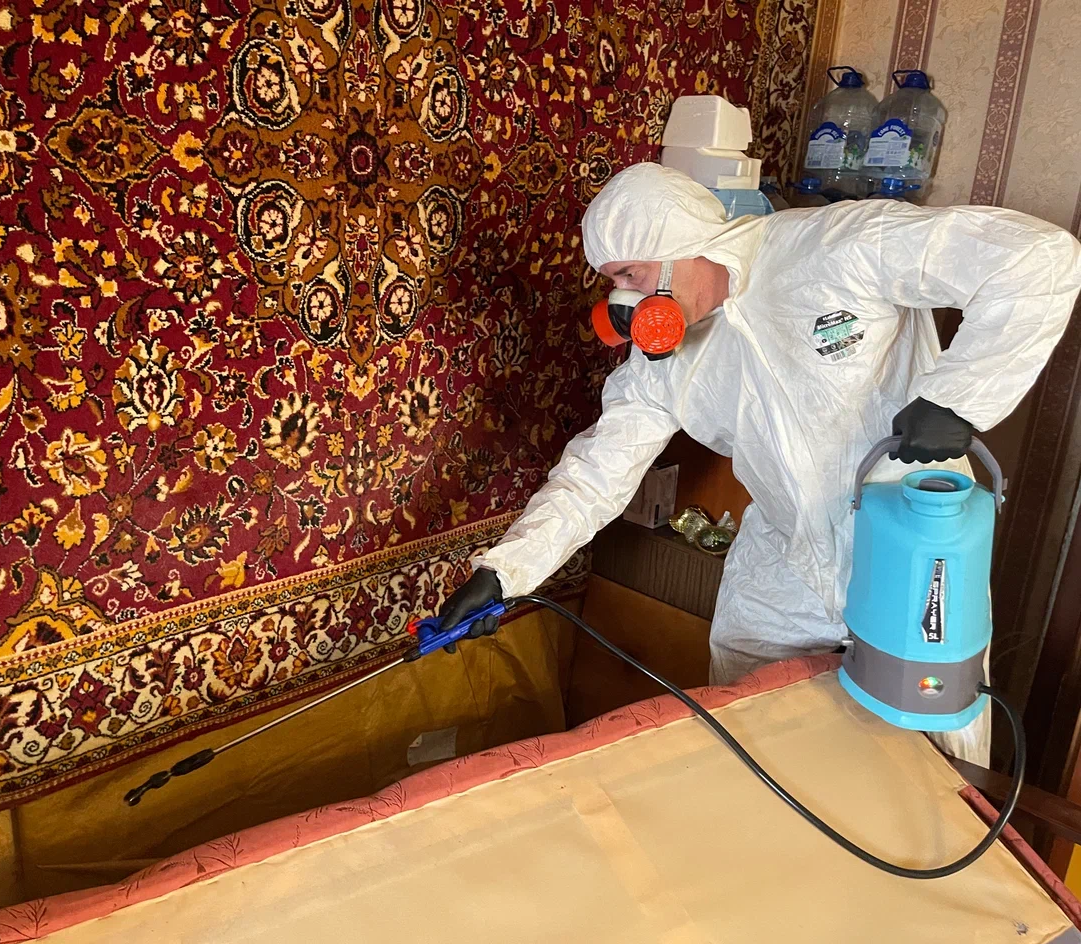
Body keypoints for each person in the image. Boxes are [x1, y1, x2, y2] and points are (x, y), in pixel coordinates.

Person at [439, 162, 1081, 764]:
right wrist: (506, 570)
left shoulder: (835, 247)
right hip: (784, 560)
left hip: (914, 545)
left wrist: (956, 400)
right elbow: (596, 472)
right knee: (751, 739)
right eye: (613, 283)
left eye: (628, 275)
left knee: (934, 749)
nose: (623, 300)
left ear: (679, 242)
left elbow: (1039, 258)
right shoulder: (664, 364)